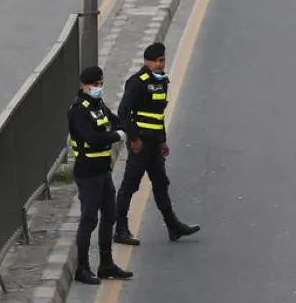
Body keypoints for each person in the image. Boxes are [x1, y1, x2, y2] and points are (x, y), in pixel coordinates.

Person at [113, 43, 201, 245]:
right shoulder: (137, 82)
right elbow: (124, 113)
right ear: (147, 61)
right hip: (141, 143)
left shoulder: (161, 82)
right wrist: (134, 139)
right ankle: (120, 229)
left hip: (154, 143)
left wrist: (163, 141)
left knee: (161, 183)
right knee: (129, 185)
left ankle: (173, 226)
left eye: (162, 60)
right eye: (156, 61)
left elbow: (157, 115)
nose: (160, 64)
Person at [67, 66, 134, 285]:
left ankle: (106, 264)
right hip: (87, 172)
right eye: (95, 85)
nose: (98, 88)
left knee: (110, 215)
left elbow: (114, 120)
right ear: (84, 86)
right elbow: (92, 138)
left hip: (103, 170)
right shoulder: (78, 110)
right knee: (89, 219)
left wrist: (124, 127)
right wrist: (117, 135)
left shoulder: (98, 105)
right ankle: (82, 268)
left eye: (101, 84)